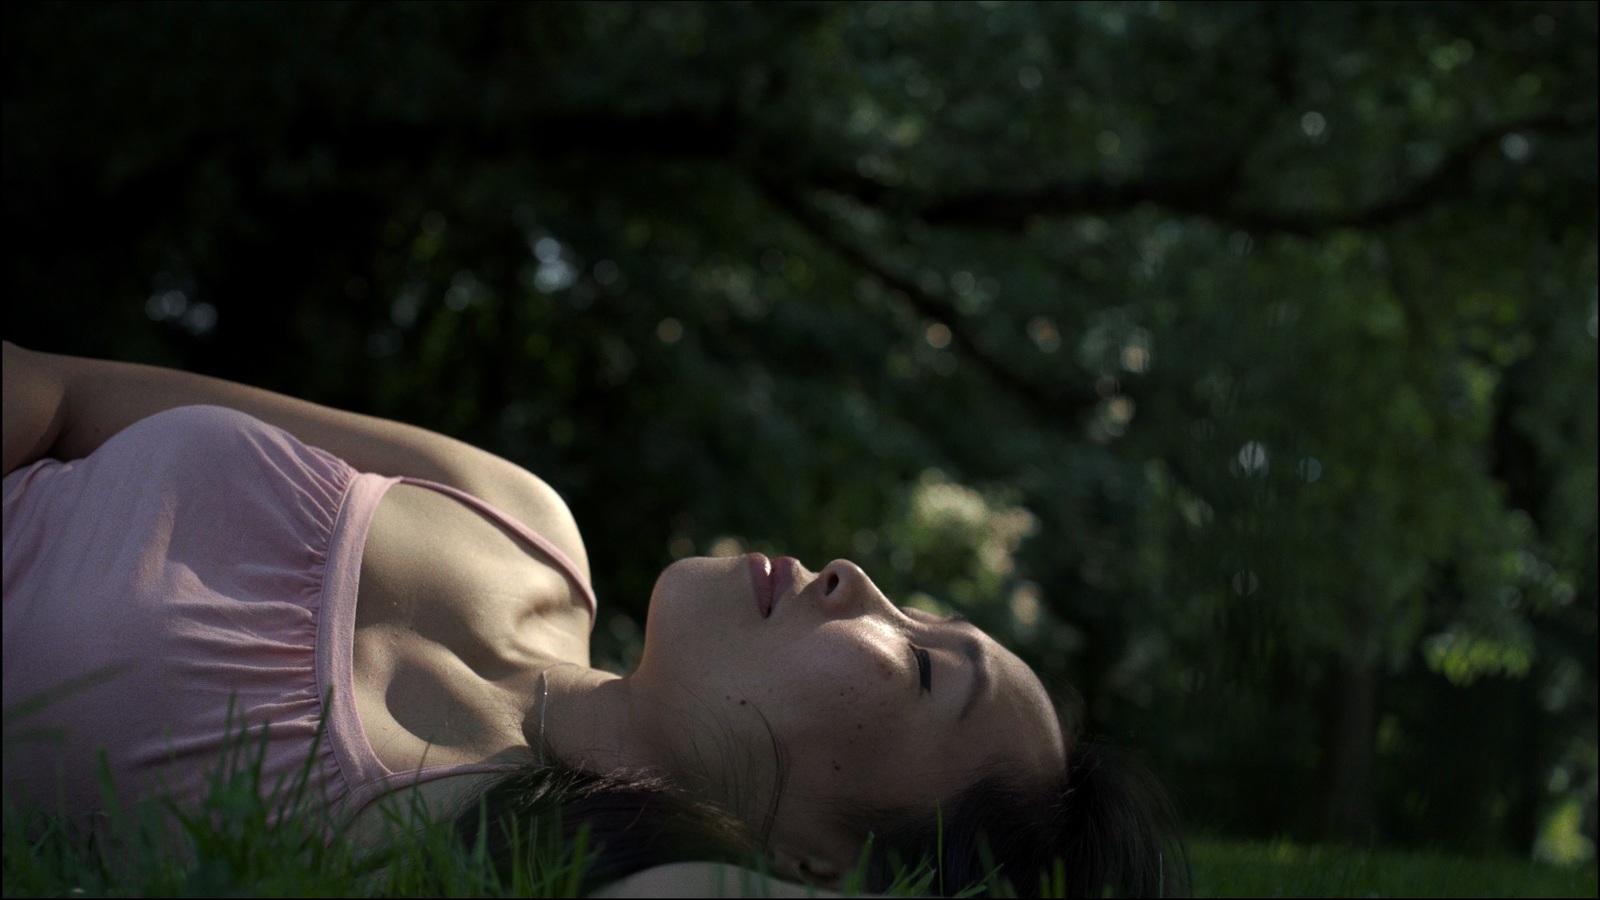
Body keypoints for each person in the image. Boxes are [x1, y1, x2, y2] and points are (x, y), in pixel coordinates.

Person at [2, 340, 1188, 897]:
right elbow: (61, 395)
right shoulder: (518, 520)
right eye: (919, 607)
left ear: (815, 866)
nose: (851, 577)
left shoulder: (435, 853)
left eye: (924, 670)